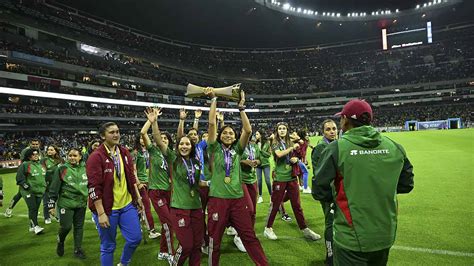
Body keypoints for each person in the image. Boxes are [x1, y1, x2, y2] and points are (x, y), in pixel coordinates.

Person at [313, 99, 414, 266]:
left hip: (351, 237)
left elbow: (319, 189)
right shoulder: (395, 147)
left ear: (345, 120)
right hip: (385, 233)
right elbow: (406, 184)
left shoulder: (337, 148)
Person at [205, 88, 268, 266]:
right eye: (224, 132)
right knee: (214, 241)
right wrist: (213, 100)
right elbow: (211, 124)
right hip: (218, 199)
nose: (227, 134)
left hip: (237, 200)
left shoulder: (237, 150)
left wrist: (241, 108)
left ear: (234, 137)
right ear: (219, 136)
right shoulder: (214, 148)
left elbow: (247, 131)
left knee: (249, 236)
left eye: (231, 133)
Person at [150, 107, 206, 266]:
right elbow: (160, 142)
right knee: (187, 245)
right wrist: (154, 123)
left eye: (187, 144)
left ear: (192, 146)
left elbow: (198, 183)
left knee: (196, 246)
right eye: (181, 143)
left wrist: (211, 184)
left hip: (196, 207)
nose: (184, 146)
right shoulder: (173, 158)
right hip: (179, 207)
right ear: (178, 146)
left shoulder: (195, 163)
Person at [86, 122, 144, 266]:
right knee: (108, 246)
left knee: (135, 238)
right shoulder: (96, 156)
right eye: (111, 132)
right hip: (107, 208)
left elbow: (130, 177)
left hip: (127, 205)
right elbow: (94, 187)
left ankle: (124, 263)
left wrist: (138, 197)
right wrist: (100, 213)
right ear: (102, 136)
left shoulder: (124, 152)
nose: (116, 134)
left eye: (117, 131)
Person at [264, 122, 320, 241]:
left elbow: (301, 150)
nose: (282, 130)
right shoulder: (275, 142)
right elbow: (279, 154)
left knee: (297, 205)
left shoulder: (290, 141)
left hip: (292, 177)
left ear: (287, 130)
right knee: (275, 204)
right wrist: (292, 147)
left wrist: (296, 158)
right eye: (280, 128)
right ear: (277, 130)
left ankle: (304, 229)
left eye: (284, 128)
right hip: (280, 177)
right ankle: (268, 228)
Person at [140, 110, 175, 260]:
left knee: (169, 224)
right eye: (161, 138)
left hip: (169, 192)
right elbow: (143, 133)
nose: (163, 140)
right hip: (156, 192)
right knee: (168, 223)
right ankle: (170, 253)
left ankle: (162, 251)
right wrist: (152, 121)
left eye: (166, 139)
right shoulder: (153, 151)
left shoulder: (172, 154)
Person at [48, 148, 87, 259]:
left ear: (80, 157)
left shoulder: (86, 168)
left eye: (75, 156)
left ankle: (78, 249)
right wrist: (51, 205)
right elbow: (54, 188)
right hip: (66, 203)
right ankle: (60, 241)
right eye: (70, 155)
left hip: (81, 203)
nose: (72, 158)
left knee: (79, 227)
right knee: (66, 227)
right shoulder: (62, 169)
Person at [311, 119, 338, 266]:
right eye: (328, 129)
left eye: (334, 128)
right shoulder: (321, 147)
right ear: (323, 132)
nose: (332, 131)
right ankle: (330, 257)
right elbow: (320, 174)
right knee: (330, 223)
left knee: (336, 223)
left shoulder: (335, 145)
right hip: (328, 193)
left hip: (336, 191)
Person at [132, 134, 160, 239]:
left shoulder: (147, 151)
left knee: (140, 207)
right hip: (141, 183)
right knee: (146, 206)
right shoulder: (135, 153)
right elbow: (133, 170)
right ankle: (151, 230)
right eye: (140, 137)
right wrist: (138, 183)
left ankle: (137, 227)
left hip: (149, 181)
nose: (143, 139)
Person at [4, 139, 42, 218]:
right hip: (27, 175)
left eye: (36, 144)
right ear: (30, 144)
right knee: (20, 194)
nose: (35, 145)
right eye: (33, 144)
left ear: (39, 144)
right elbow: (23, 163)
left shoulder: (38, 151)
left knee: (21, 194)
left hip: (34, 175)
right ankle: (9, 209)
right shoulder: (26, 151)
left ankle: (11, 209)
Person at [16, 148, 46, 235]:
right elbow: (19, 179)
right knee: (32, 208)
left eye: (37, 154)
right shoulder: (25, 165)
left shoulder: (40, 165)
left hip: (39, 191)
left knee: (35, 209)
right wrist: (26, 187)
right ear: (29, 156)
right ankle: (36, 227)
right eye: (34, 154)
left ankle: (31, 226)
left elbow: (43, 177)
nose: (36, 156)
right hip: (29, 191)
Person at [41, 145, 63, 224]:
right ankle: (47, 217)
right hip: (47, 184)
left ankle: (59, 216)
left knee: (59, 202)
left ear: (56, 151)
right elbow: (42, 172)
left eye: (51, 150)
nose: (49, 151)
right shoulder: (44, 160)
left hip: (59, 184)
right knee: (46, 201)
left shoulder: (61, 160)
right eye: (48, 150)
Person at [255, 130, 271, 204]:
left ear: (261, 135)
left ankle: (271, 195)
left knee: (267, 180)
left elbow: (269, 154)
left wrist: (261, 151)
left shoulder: (267, 143)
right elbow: (254, 154)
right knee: (259, 181)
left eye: (257, 134)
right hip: (258, 165)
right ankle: (260, 196)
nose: (256, 135)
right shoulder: (255, 144)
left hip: (266, 164)